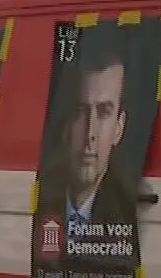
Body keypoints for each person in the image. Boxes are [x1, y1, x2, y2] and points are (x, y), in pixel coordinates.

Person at [41, 37, 138, 241]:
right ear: (65, 123)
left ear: (118, 128)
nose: (90, 133)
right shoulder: (37, 196)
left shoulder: (128, 207)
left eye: (104, 112)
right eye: (79, 111)